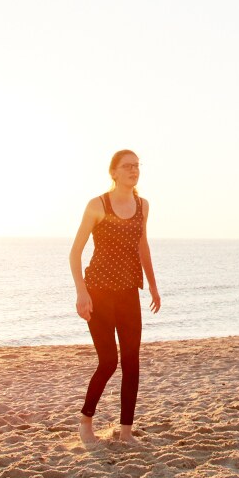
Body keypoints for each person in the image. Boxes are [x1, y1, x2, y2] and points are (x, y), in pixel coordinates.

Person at [67, 149, 161, 445]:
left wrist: (153, 286)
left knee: (132, 362)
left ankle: (126, 431)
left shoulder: (143, 206)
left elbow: (142, 246)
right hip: (98, 292)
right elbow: (75, 252)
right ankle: (86, 421)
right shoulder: (98, 205)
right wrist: (82, 292)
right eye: (127, 166)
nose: (134, 170)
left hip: (129, 293)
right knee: (108, 362)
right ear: (114, 172)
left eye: (137, 166)